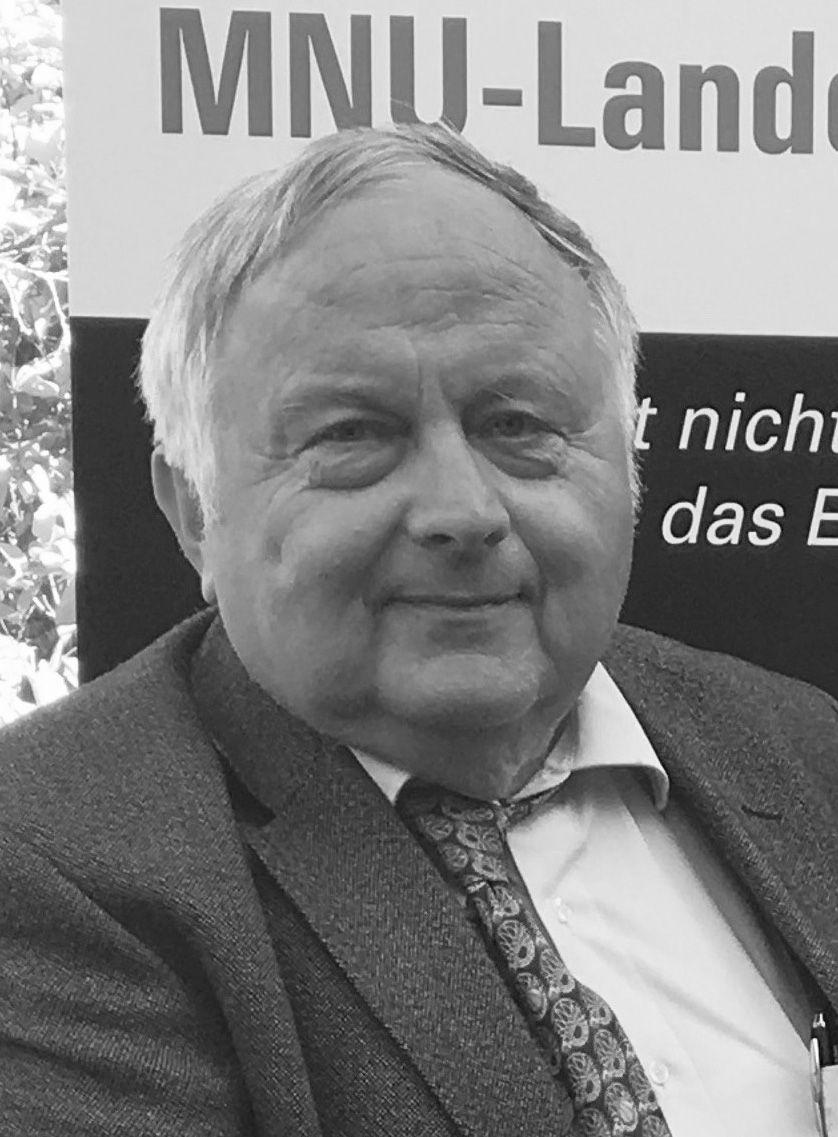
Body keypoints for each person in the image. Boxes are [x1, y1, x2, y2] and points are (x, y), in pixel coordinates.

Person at [1, 124, 836, 1137]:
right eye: (354, 434)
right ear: (192, 511)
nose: (462, 511)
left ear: (627, 465)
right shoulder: (50, 862)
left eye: (517, 424)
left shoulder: (801, 747)